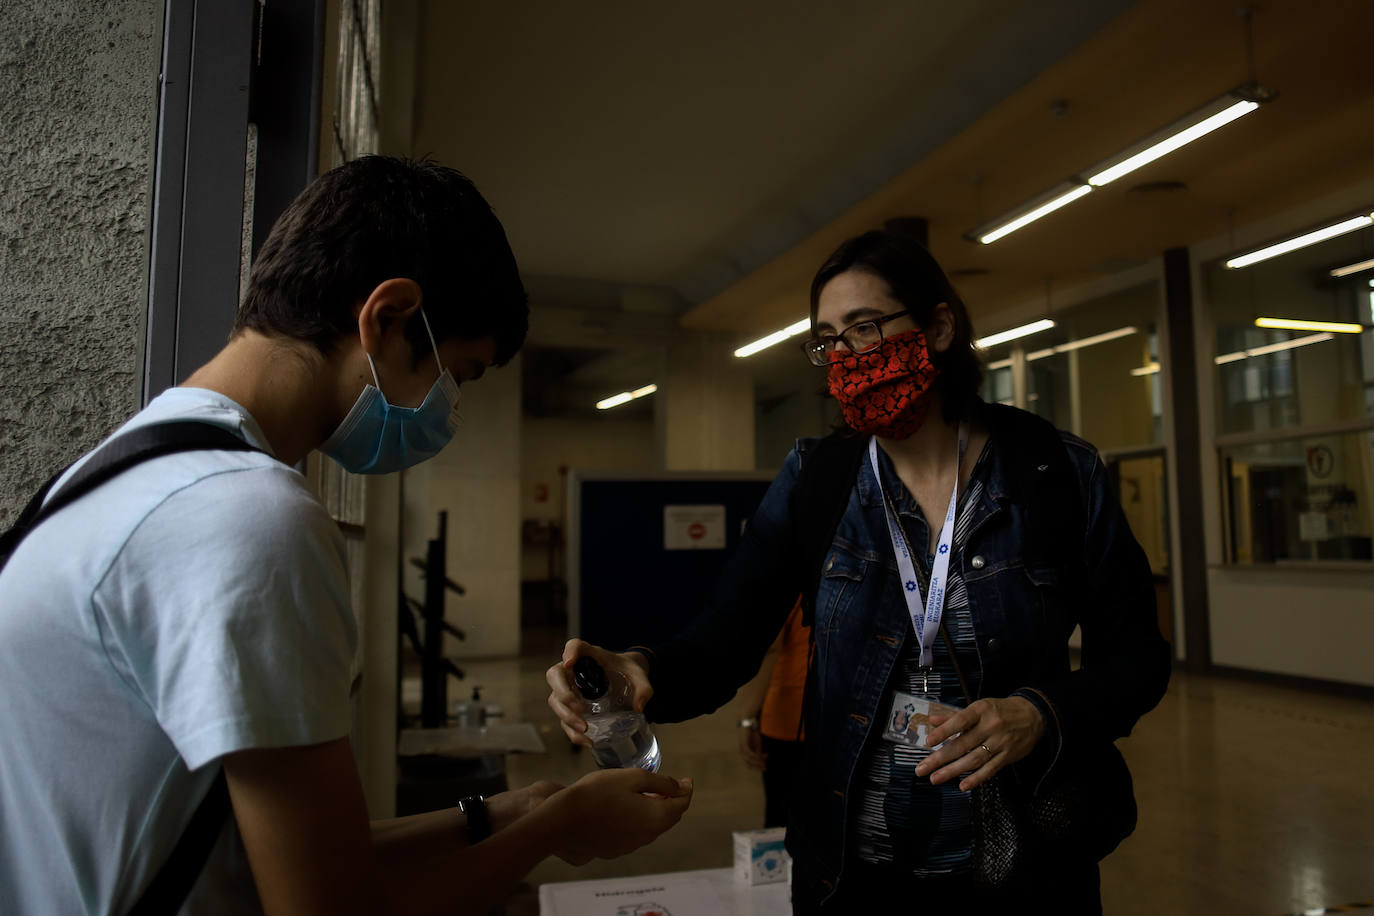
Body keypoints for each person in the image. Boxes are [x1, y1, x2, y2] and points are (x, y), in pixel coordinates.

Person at [0, 156, 692, 916]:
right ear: (388, 318)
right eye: (456, 377)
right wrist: (559, 828)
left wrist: (513, 813)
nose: (446, 415)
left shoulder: (120, 474)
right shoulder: (246, 521)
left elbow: (254, 854)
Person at [548, 230, 1170, 913]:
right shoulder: (819, 480)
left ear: (936, 327)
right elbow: (725, 637)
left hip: (1023, 865)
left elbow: (1138, 656)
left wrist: (1039, 714)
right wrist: (642, 671)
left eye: (864, 328)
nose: (844, 356)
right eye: (827, 340)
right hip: (852, 871)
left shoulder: (1054, 471)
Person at [733, 598, 808, 829]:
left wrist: (747, 719)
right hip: (838, 715)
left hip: (787, 717)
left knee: (782, 821)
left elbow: (769, 649)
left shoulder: (786, 575)